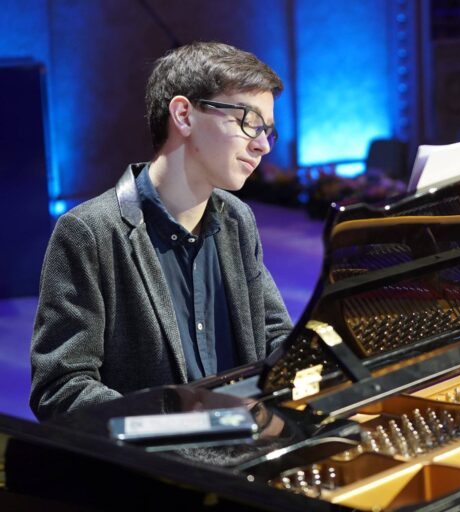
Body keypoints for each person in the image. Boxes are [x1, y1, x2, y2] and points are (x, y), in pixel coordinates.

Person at [29, 42, 293, 421]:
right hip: (156, 456)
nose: (263, 145)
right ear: (184, 115)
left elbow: (274, 336)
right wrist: (179, 424)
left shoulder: (237, 219)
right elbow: (60, 388)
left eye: (268, 131)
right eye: (249, 122)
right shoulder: (89, 232)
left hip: (247, 444)